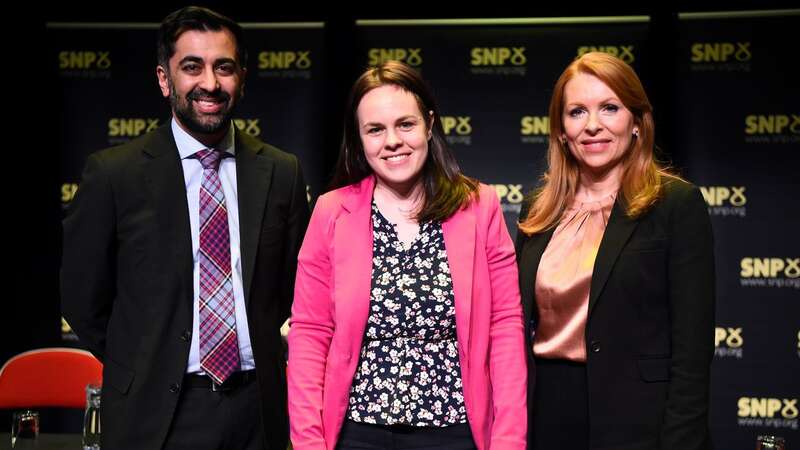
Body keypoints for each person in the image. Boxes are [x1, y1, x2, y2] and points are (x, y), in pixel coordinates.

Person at [61, 6, 309, 450]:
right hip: (154, 414)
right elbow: (84, 301)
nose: (210, 83)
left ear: (243, 77)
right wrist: (144, 366)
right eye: (191, 67)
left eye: (224, 67)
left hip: (259, 412)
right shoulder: (113, 175)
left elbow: (295, 290)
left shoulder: (282, 172)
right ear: (164, 79)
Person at [287, 60, 527, 450]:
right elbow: (310, 334)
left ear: (429, 125)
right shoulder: (332, 212)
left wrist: (509, 439)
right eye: (375, 130)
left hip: (455, 432)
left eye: (406, 124)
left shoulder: (480, 206)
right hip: (356, 433)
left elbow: (505, 328)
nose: (392, 141)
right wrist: (308, 443)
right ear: (359, 138)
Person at [516, 51, 715, 449]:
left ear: (637, 122)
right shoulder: (538, 210)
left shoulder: (676, 204)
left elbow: (692, 353)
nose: (593, 126)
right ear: (560, 131)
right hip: (545, 415)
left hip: (639, 421)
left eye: (609, 108)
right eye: (576, 112)